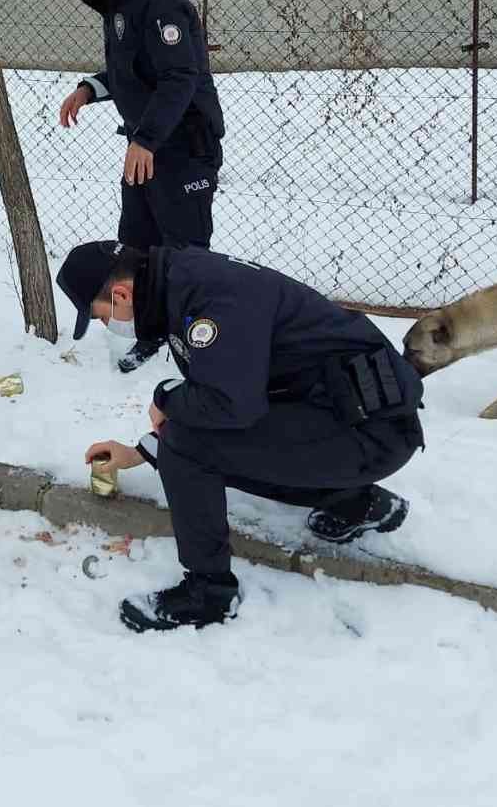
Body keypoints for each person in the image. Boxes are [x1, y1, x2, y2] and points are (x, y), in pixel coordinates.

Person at [56, 241, 425, 634]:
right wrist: (139, 453)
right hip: (354, 418)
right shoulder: (179, 280)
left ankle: (208, 592)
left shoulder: (206, 304)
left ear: (120, 294)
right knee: (197, 431)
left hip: (371, 432)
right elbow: (230, 392)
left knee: (188, 442)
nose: (106, 326)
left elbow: (229, 407)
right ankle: (357, 502)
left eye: (99, 317)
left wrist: (164, 395)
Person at [48, 0, 225, 374]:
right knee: (137, 244)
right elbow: (132, 71)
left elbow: (179, 77)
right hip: (144, 146)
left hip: (182, 147)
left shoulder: (157, 3)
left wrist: (145, 139)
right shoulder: (119, 5)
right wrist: (90, 88)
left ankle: (196, 342)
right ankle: (149, 328)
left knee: (184, 252)